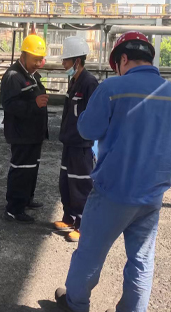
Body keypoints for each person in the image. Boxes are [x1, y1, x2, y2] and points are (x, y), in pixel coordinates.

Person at [55, 31, 171, 312]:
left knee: (90, 254)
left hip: (114, 191)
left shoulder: (112, 88)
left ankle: (75, 304)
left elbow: (87, 130)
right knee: (141, 260)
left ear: (123, 59)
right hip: (152, 195)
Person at [54, 37, 99, 243]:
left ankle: (83, 225)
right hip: (69, 142)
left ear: (77, 61)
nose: (63, 64)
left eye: (66, 60)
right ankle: (69, 218)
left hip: (81, 145)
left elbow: (94, 115)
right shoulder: (73, 81)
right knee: (66, 181)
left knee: (81, 184)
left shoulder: (89, 83)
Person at [1, 34, 49, 224]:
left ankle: (26, 199)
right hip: (21, 134)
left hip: (33, 133)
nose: (38, 63)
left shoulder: (31, 74)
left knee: (31, 168)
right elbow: (9, 105)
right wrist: (35, 104)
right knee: (21, 169)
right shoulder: (13, 77)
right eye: (35, 59)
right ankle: (14, 208)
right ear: (23, 56)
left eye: (40, 59)